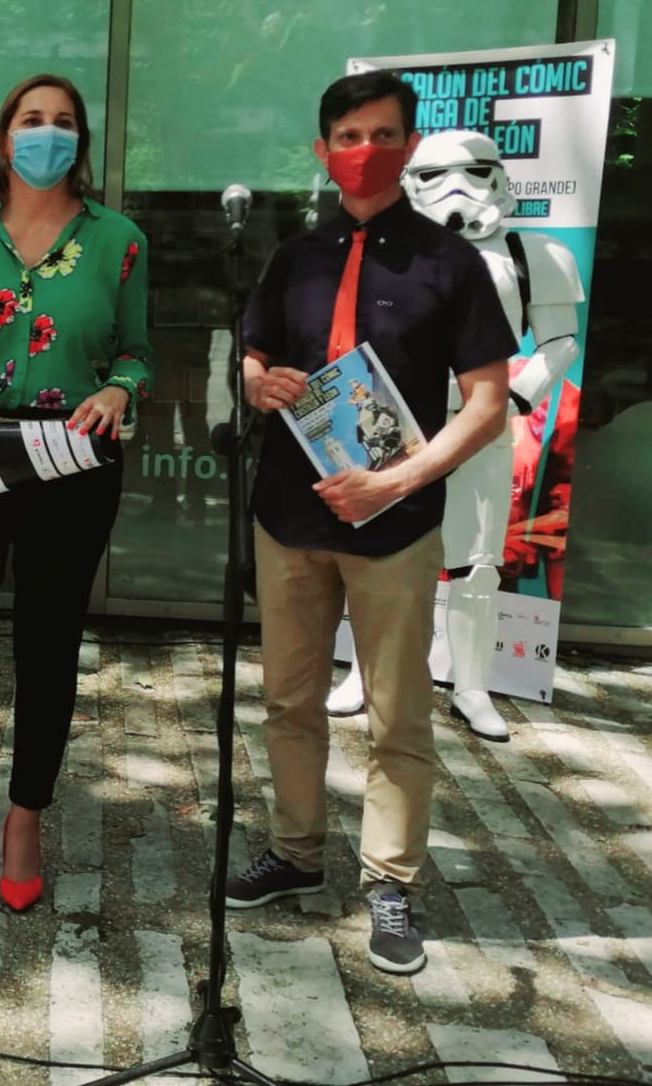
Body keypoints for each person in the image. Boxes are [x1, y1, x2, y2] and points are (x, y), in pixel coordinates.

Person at [227, 71, 516, 975]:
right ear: (324, 151)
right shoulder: (294, 257)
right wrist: (258, 381)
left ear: (409, 145)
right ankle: (296, 851)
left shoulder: (451, 263)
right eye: (349, 137)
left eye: (384, 135)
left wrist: (398, 482)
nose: (366, 151)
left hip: (395, 521)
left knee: (398, 714)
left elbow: (487, 404)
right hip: (290, 514)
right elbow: (253, 355)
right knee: (289, 700)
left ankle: (390, 879)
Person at [0, 74, 153, 912]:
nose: (48, 134)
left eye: (64, 122)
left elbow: (137, 351)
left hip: (70, 463)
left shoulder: (118, 241)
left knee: (48, 643)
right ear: (4, 137)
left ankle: (24, 818)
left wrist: (119, 389)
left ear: (82, 139)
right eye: (32, 120)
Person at [326, 129, 585, 740]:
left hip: (480, 425)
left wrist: (512, 398)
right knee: (376, 554)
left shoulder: (531, 254)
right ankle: (364, 671)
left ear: (498, 176)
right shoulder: (380, 249)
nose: (455, 189)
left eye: (472, 172)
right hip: (394, 423)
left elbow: (559, 342)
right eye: (432, 175)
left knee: (477, 566)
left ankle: (471, 686)